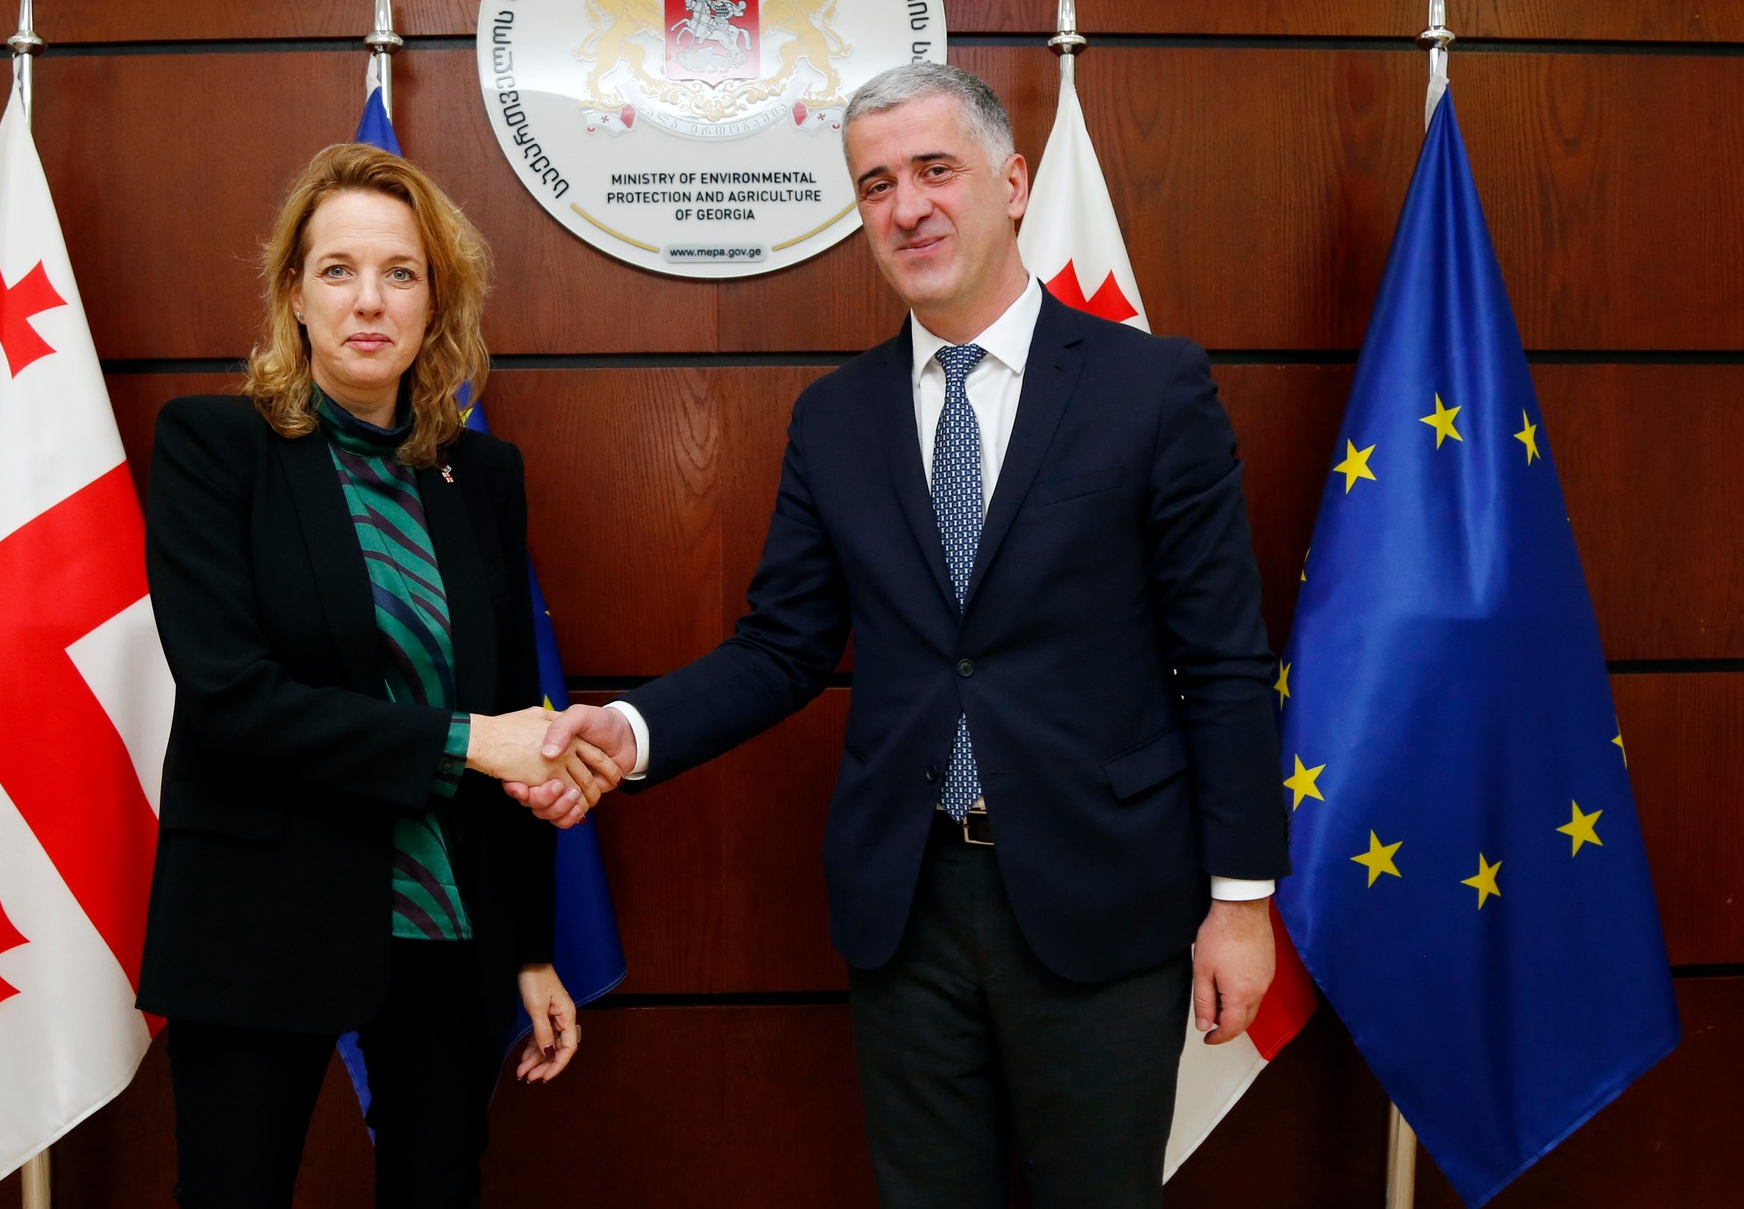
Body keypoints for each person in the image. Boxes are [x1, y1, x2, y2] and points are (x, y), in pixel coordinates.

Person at [520, 63, 1288, 1207]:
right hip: (907, 903)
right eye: (875, 184)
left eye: (935, 170)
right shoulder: (835, 417)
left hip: (1102, 892)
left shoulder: (1148, 387)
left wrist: (1240, 900)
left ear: (1011, 183)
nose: (906, 207)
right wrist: (631, 729)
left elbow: (1220, 660)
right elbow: (781, 645)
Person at [139, 143, 618, 1209]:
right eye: (338, 270)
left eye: (401, 273)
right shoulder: (213, 447)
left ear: (435, 301)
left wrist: (526, 946)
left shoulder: (482, 475)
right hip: (260, 917)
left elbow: (511, 711)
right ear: (293, 294)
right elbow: (232, 701)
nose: (369, 300)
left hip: (446, 924)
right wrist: (467, 741)